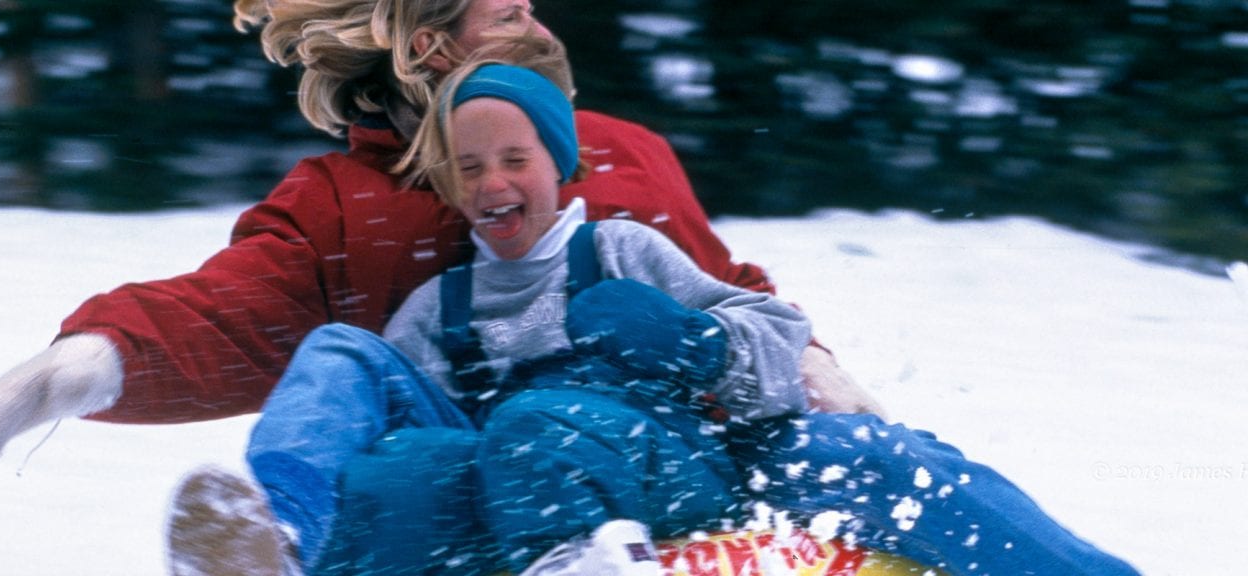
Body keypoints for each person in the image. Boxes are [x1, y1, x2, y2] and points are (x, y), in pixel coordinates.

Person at [172, 47, 1141, 576]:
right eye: (467, 168)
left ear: (557, 165)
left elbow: (775, 341)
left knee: (533, 422)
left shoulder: (624, 249)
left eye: (513, 159)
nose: (492, 182)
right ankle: (283, 547)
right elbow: (392, 422)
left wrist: (695, 341)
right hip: (501, 487)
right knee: (355, 379)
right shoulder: (440, 305)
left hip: (663, 461)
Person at [0, 0, 881, 481]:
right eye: (505, 5)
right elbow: (212, 322)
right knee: (345, 375)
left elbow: (735, 298)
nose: (530, 4)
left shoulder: (623, 152)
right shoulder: (345, 206)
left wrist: (847, 406)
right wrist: (24, 396)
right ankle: (298, 536)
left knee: (884, 468)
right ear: (432, 43)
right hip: (484, 493)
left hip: (691, 461)